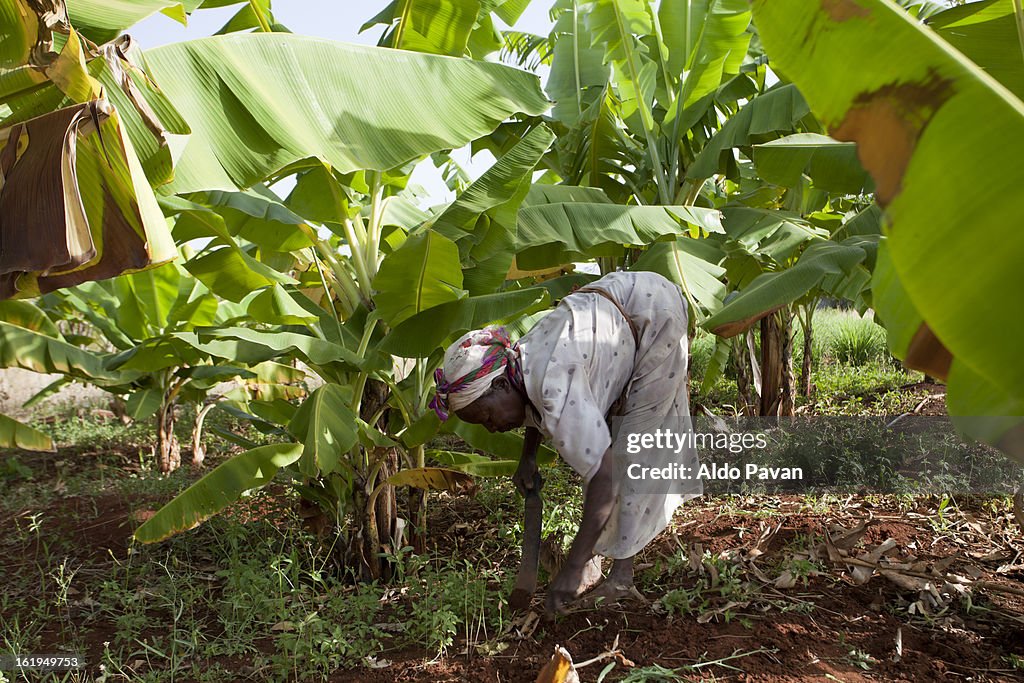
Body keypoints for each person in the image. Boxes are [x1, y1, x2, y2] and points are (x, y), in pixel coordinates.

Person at [430, 270, 702, 615]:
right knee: (601, 442)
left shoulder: (553, 385)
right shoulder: (519, 365)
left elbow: (606, 475)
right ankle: (600, 558)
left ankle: (621, 577)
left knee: (630, 451)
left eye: (486, 417)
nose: (492, 428)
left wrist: (571, 569)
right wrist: (526, 457)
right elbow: (531, 402)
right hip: (618, 304)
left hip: (653, 314)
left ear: (499, 386)